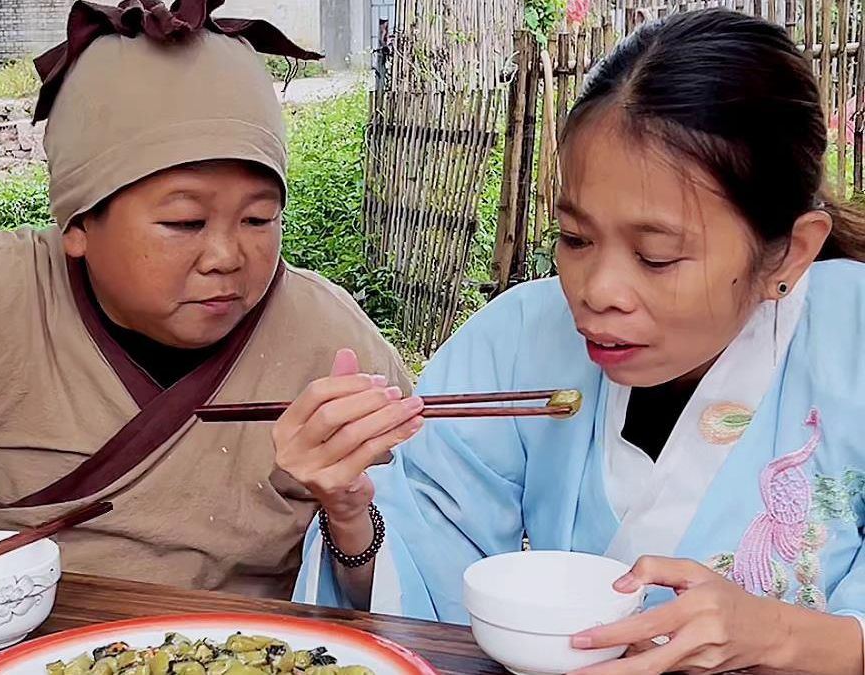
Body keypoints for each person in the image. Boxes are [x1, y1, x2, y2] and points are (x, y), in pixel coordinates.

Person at [280, 9, 865, 674]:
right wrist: (351, 513)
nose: (597, 289)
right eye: (576, 239)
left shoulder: (854, 341)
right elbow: (415, 598)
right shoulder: (523, 336)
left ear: (791, 254)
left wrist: (782, 637)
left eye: (657, 254)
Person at [0, 0, 411, 601]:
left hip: (251, 651)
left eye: (258, 219)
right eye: (185, 222)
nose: (227, 256)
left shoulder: (328, 340)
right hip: (34, 642)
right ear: (78, 226)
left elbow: (407, 589)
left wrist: (349, 510)